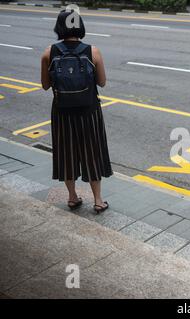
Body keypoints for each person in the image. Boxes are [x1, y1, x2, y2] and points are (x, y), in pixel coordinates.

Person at [41, 10, 113, 213]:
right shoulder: (93, 51)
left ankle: (72, 197)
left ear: (60, 27)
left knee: (66, 153)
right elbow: (102, 82)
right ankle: (98, 200)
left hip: (62, 113)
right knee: (92, 153)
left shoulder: (48, 53)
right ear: (79, 26)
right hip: (89, 112)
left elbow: (45, 85)